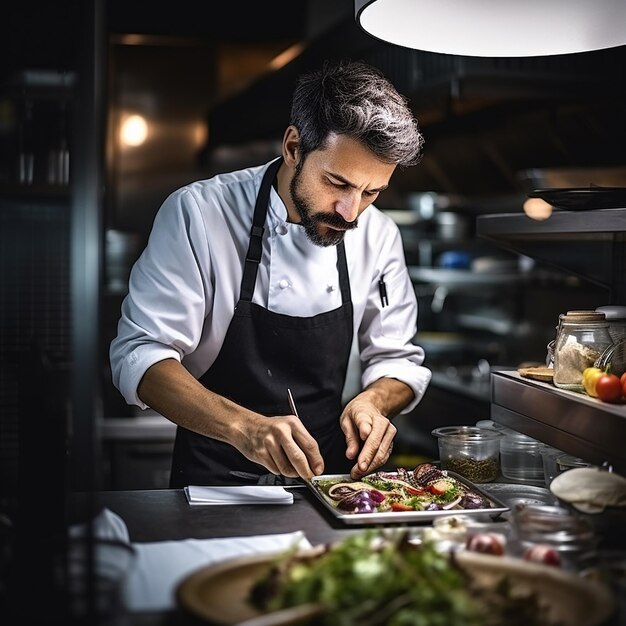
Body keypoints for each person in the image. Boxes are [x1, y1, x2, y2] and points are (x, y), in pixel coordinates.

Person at [110, 59, 432, 487]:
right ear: (294, 147)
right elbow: (141, 356)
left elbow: (397, 360)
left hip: (328, 486)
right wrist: (247, 428)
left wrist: (374, 401)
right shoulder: (201, 213)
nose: (350, 212)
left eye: (371, 191)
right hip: (212, 485)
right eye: (337, 183)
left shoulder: (379, 235)